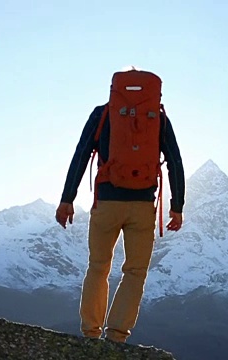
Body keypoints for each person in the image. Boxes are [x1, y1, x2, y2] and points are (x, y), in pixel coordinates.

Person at [55, 69, 185, 343]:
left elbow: (80, 154)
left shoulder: (103, 114)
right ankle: (116, 336)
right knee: (135, 271)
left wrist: (67, 199)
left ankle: (90, 334)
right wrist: (177, 205)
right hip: (141, 206)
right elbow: (175, 160)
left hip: (107, 203)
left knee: (98, 266)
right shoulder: (158, 118)